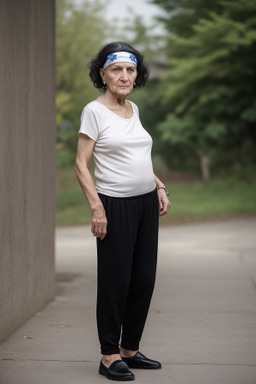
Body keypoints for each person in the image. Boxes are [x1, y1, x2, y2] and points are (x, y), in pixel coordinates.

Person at [75, 41, 171, 381]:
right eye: (116, 69)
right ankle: (108, 355)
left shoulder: (134, 110)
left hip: (145, 203)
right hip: (114, 205)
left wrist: (158, 185)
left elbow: (139, 158)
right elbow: (80, 164)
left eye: (130, 70)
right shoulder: (94, 111)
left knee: (143, 279)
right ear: (102, 74)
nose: (124, 76)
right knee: (116, 282)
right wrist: (97, 208)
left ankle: (130, 348)